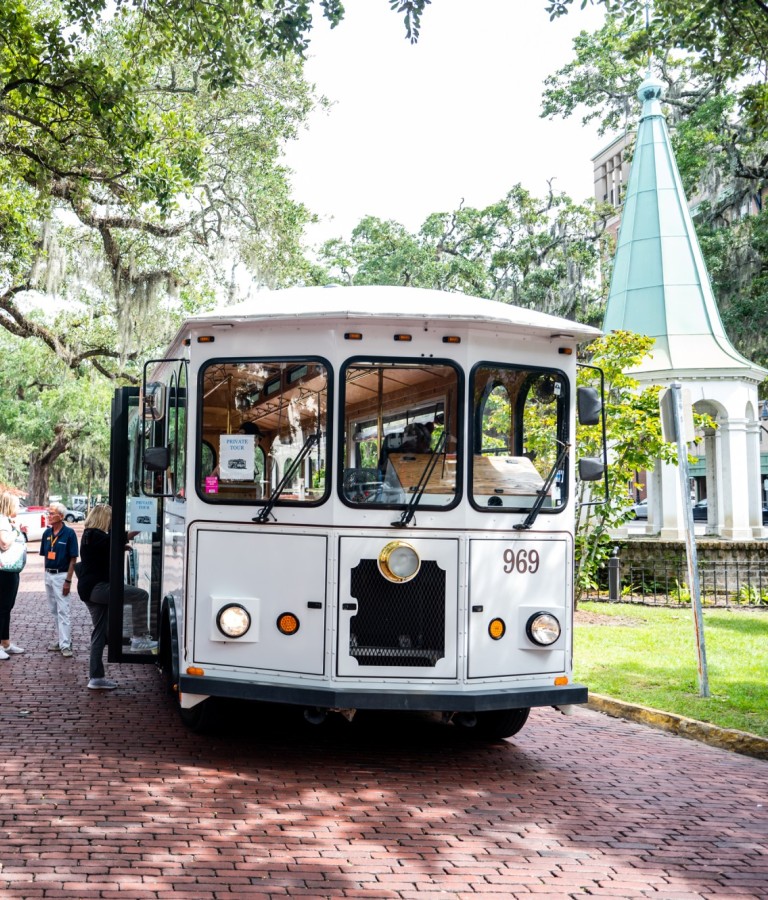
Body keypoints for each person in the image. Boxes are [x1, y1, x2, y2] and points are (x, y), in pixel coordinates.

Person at [76, 504, 150, 690]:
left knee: (99, 633)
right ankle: (139, 636)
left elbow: (105, 548)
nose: (112, 524)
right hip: (98, 588)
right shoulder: (96, 535)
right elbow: (118, 537)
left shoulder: (89, 535)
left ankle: (96, 678)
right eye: (111, 519)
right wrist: (144, 523)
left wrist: (118, 548)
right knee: (141, 595)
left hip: (88, 590)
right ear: (104, 518)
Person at [39, 501, 79, 658]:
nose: (48, 516)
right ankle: (61, 639)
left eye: (52, 513)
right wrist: (46, 574)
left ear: (61, 516)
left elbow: (73, 559)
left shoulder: (69, 534)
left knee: (64, 611)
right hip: (49, 575)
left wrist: (68, 581)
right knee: (54, 610)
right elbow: (45, 556)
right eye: (48, 513)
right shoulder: (46, 534)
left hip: (62, 576)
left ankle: (66, 644)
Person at [0, 492, 25, 660]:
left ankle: (6, 642)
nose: (19, 507)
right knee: (2, 607)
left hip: (11, 570)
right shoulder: (2, 520)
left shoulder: (7, 520)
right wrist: (16, 532)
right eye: (17, 504)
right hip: (3, 571)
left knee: (7, 607)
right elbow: (4, 543)